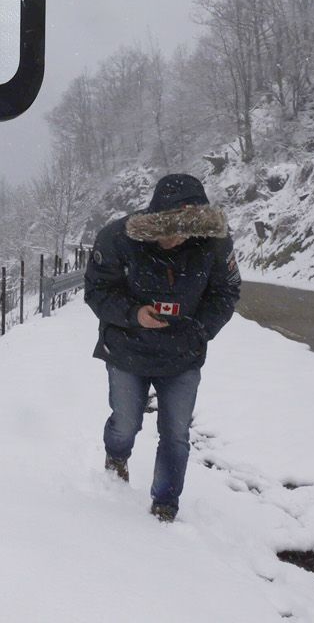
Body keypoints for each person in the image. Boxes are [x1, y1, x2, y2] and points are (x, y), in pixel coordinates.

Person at [83, 173, 241, 522]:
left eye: (187, 229)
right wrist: (134, 314)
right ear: (155, 220)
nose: (178, 238)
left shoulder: (214, 244)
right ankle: (116, 456)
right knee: (126, 423)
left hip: (183, 354)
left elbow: (226, 293)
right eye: (170, 229)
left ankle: (165, 505)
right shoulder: (116, 238)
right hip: (127, 349)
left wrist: (200, 330)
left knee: (176, 433)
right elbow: (96, 290)